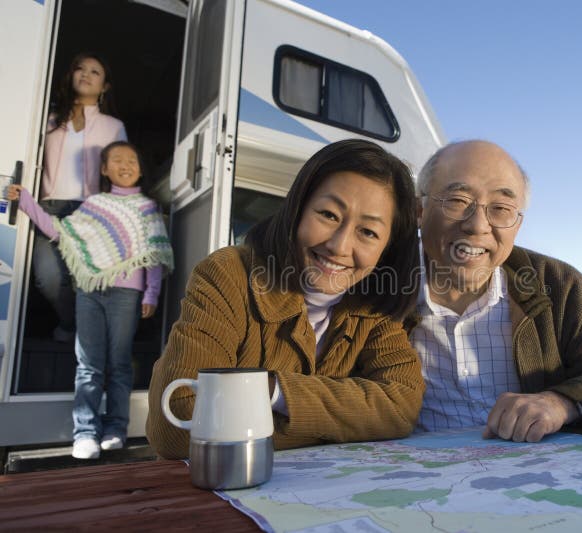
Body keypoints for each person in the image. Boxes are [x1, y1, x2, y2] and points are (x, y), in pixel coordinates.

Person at [146, 139, 424, 458]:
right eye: (329, 214)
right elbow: (178, 422)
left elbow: (400, 408)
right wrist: (345, 423)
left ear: (386, 248)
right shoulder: (229, 274)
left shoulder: (375, 306)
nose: (340, 244)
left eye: (368, 232)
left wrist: (273, 390)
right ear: (297, 209)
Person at [412, 140, 582, 443]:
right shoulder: (374, 287)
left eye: (502, 209)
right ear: (419, 210)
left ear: (517, 224)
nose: (478, 225)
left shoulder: (559, 287)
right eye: (457, 200)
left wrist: (562, 403)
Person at [8, 141, 173, 459]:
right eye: (117, 160)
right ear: (104, 169)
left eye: (132, 160)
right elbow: (59, 231)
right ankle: (84, 433)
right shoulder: (94, 205)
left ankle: (115, 429)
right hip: (89, 292)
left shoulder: (147, 208)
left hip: (127, 294)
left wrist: (151, 293)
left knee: (120, 364)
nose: (125, 165)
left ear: (140, 169)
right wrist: (26, 201)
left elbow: (154, 254)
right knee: (88, 365)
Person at [36, 52, 127, 342]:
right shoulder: (47, 120)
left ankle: (70, 333)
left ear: (105, 87)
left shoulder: (113, 127)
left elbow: (121, 176)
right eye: (80, 69)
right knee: (48, 277)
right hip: (48, 209)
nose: (86, 74)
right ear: (70, 76)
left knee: (83, 284)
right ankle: (71, 326)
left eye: (95, 72)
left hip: (89, 215)